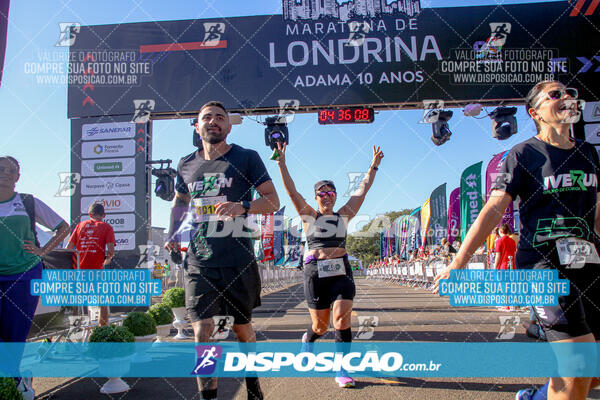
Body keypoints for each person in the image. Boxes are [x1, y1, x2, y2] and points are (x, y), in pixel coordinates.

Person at [434, 81, 600, 400]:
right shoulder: (523, 154)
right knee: (577, 365)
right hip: (544, 266)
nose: (566, 98)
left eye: (570, 94)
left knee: (590, 377)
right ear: (534, 112)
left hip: (588, 266)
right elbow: (494, 209)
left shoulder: (589, 152)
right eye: (556, 95)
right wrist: (458, 263)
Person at [165, 101, 279, 400]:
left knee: (242, 329)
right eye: (207, 117)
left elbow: (272, 201)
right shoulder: (185, 164)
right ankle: (208, 397)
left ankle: (252, 383)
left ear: (228, 126)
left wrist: (243, 206)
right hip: (199, 260)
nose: (213, 121)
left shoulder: (246, 157)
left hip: (238, 259)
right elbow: (180, 201)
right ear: (197, 126)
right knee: (203, 331)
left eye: (220, 117)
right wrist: (174, 232)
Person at [275, 142, 383, 388]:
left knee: (341, 320)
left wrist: (373, 166)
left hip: (341, 272)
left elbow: (361, 191)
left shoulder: (343, 215)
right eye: (322, 193)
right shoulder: (309, 216)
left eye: (330, 192)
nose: (327, 196)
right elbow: (292, 192)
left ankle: (342, 368)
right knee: (320, 326)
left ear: (335, 195)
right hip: (316, 274)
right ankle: (308, 339)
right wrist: (282, 163)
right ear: (316, 198)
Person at [0, 156, 70, 400]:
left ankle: (14, 383)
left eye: (11, 170)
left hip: (24, 273)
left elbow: (63, 227)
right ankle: (13, 379)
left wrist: (42, 251)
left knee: (15, 333)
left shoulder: (27, 202)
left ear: (18, 177)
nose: (6, 173)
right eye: (1, 169)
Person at [66, 202, 115, 326]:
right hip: (96, 271)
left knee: (79, 302)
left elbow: (68, 248)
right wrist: (107, 260)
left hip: (78, 271)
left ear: (90, 214)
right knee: (102, 302)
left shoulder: (80, 226)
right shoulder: (106, 227)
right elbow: (110, 251)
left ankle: (77, 331)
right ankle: (101, 330)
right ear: (104, 215)